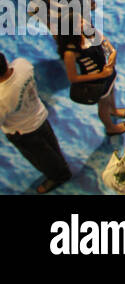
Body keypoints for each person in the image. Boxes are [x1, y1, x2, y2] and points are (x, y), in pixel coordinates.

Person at [0, 51, 72, 193]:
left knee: (41, 158)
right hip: (39, 114)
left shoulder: (2, 97)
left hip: (23, 132)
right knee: (52, 146)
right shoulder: (22, 64)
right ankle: (61, 166)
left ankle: (59, 176)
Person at [58, 18, 125, 136]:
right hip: (96, 82)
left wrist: (112, 53)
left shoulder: (89, 32)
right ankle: (110, 127)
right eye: (80, 22)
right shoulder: (70, 51)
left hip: (108, 74)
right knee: (103, 103)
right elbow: (73, 78)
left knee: (111, 91)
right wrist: (101, 75)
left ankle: (113, 110)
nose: (84, 22)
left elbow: (105, 41)